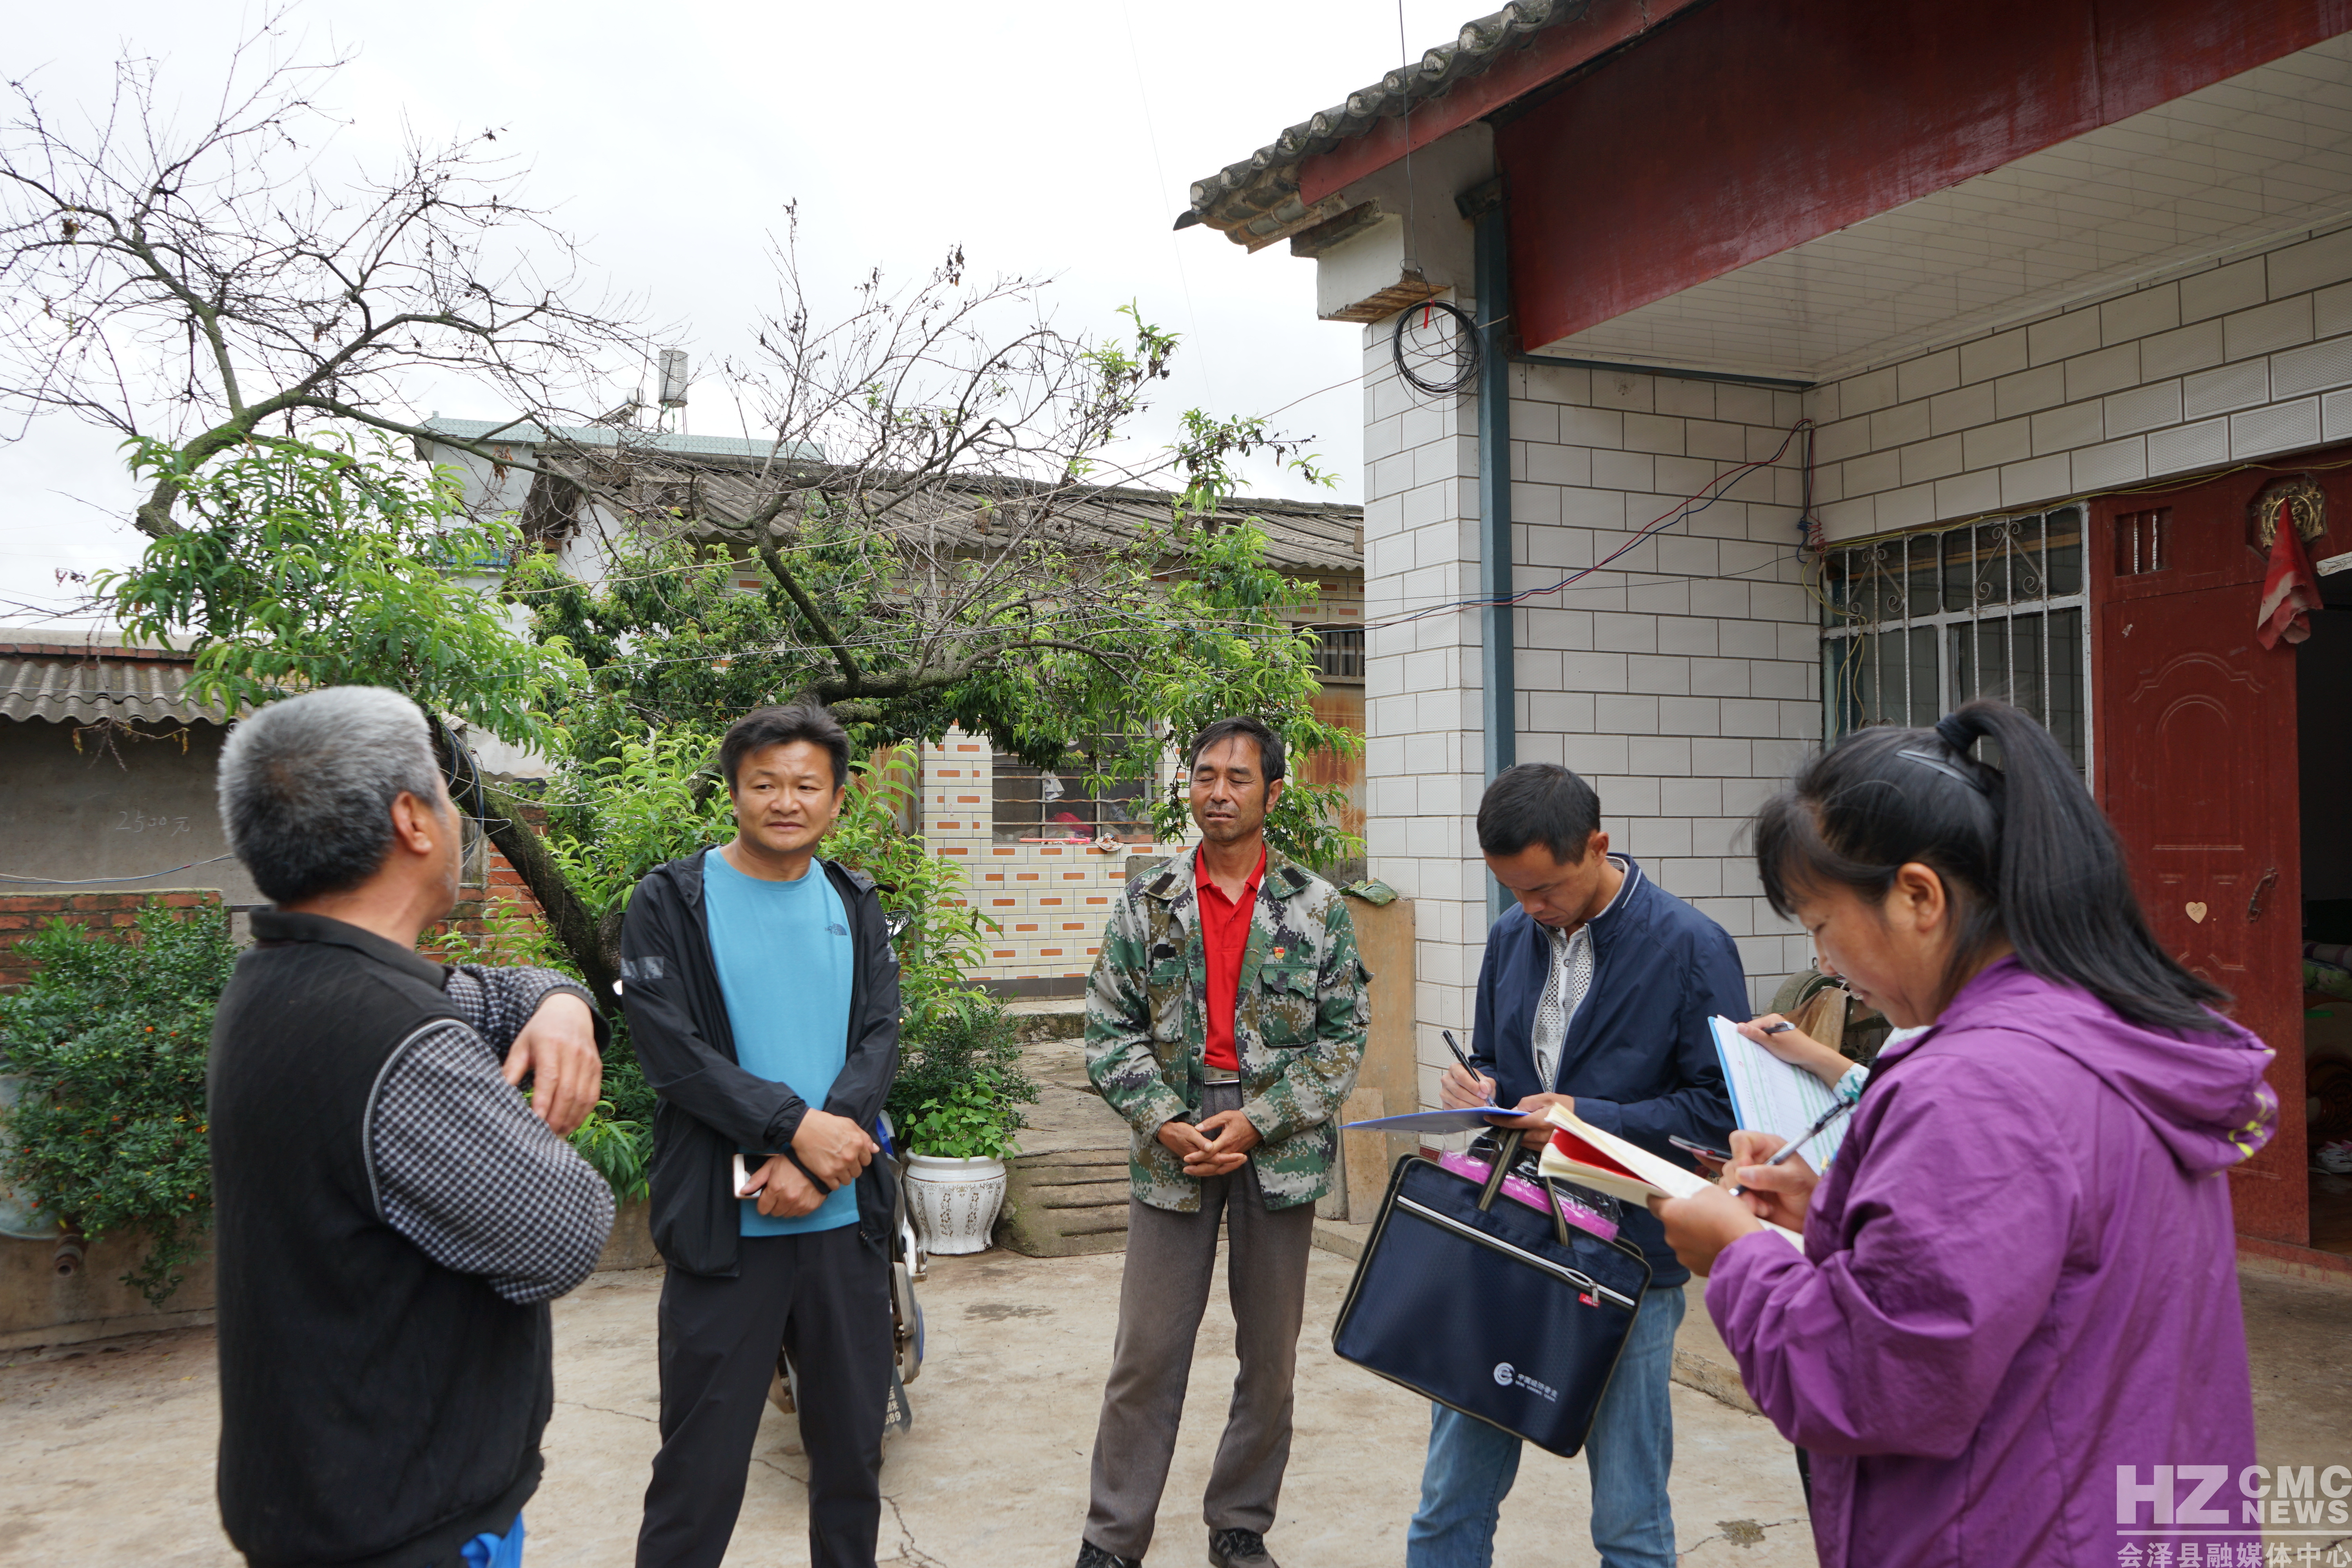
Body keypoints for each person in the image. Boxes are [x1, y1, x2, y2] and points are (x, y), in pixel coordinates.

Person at [1652, 701, 2277, 1566]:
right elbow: (2042, 1255)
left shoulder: (1977, 1085)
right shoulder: (2106, 1031)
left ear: (1918, 896)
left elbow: (1873, 1379)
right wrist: (1836, 1205)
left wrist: (1739, 1255)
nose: (1827, 963)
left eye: (1824, 926)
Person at [207, 686, 615, 1568]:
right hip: (409, 1524)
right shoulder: (395, 1040)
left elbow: (492, 991)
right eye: (442, 785)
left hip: (319, 1495)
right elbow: (564, 1228)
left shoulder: (285, 981)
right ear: (411, 820)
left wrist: (560, 1003)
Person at [1413, 761, 1744, 1568]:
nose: (1532, 908)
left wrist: (1585, 1116)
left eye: (1546, 888)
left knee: (1630, 1519)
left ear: (1597, 844)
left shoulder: (1693, 946)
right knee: (1449, 1501)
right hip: (1513, 1238)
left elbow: (1723, 1118)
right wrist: (1479, 1084)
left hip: (1628, 1258)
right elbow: (1499, 1064)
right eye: (1514, 890)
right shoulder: (1508, 938)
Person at [1074, 717, 1369, 1568]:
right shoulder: (1148, 898)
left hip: (1276, 1138)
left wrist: (1260, 1118)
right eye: (1205, 775)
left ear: (1273, 793)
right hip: (1171, 1127)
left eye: (1238, 777)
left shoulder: (1317, 907)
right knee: (1146, 1349)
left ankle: (1239, 1524)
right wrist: (1163, 1117)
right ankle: (1112, 1535)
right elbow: (1108, 1026)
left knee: (1269, 1354)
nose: (1218, 791)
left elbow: (1343, 1036)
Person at [623, 700, 901, 1568]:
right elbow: (673, 1054)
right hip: (725, 1229)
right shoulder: (671, 899)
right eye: (766, 783)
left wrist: (820, 1164)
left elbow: (879, 1038)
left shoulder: (855, 901)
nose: (787, 800)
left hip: (841, 1225)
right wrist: (791, 1130)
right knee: (698, 1471)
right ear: (734, 789)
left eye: (806, 785)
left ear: (837, 799)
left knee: (853, 1457)